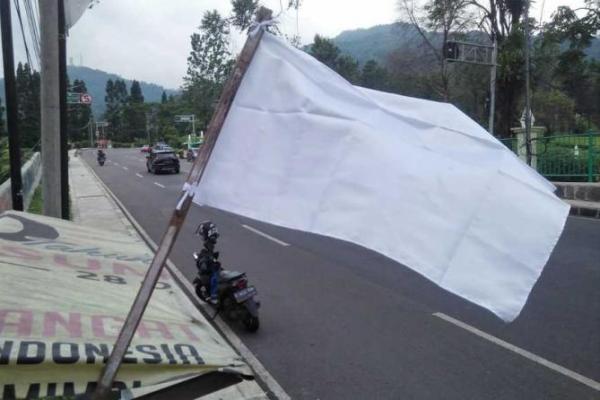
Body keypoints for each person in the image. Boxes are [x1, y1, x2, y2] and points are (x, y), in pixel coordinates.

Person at [197, 221, 221, 304]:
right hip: (213, 262)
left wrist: (204, 262)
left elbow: (209, 254)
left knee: (214, 277)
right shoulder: (210, 244)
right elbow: (209, 253)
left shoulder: (209, 243)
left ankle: (214, 297)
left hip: (213, 266)